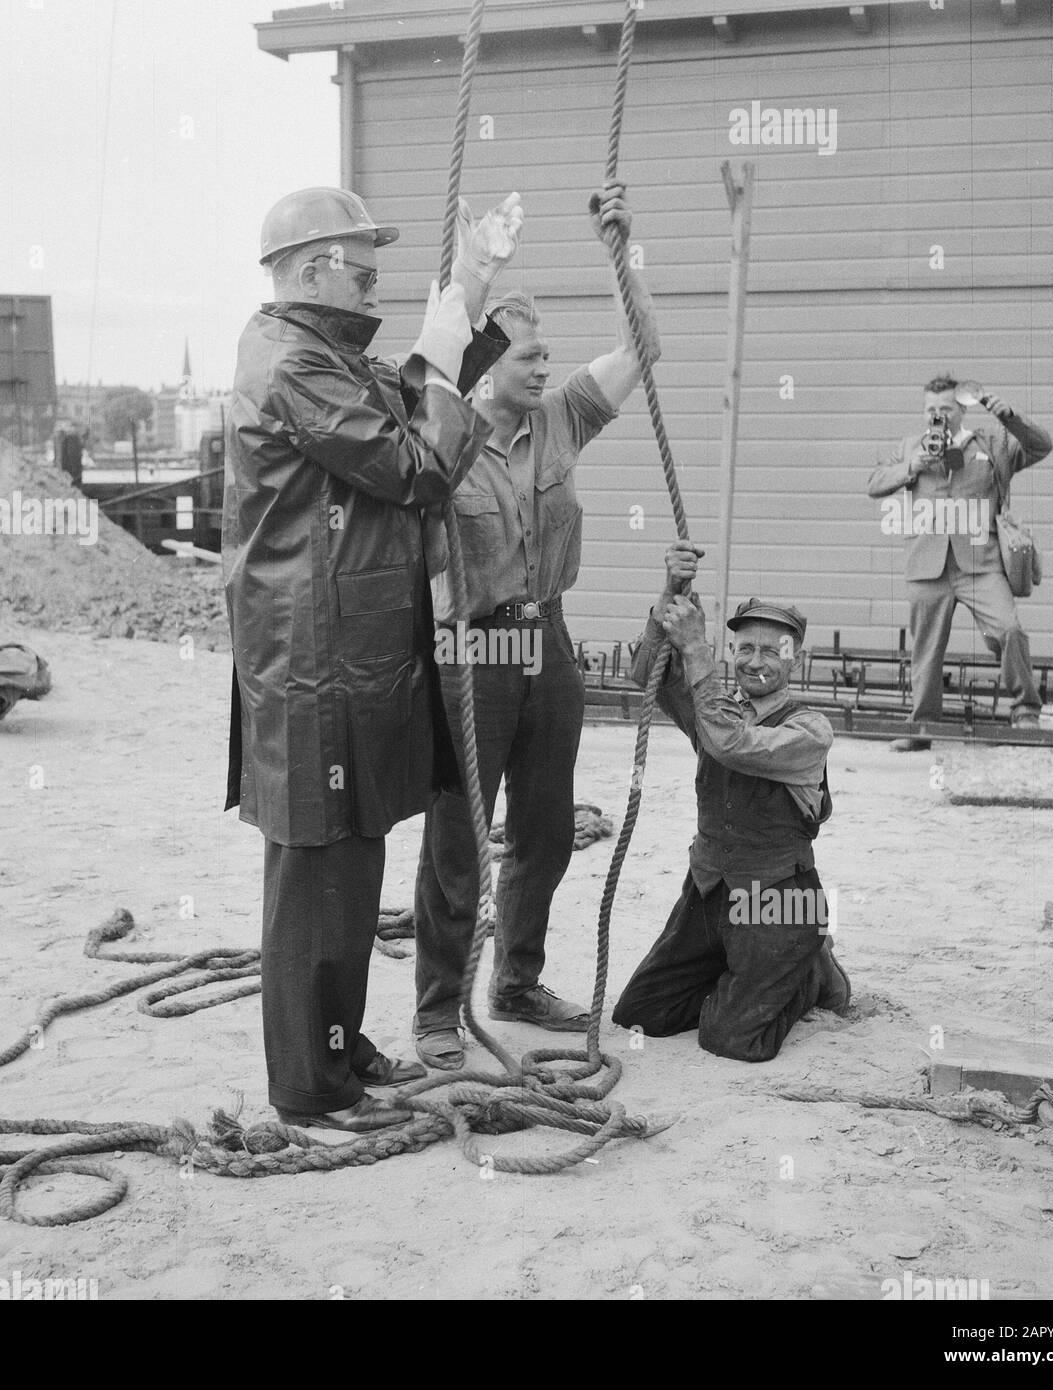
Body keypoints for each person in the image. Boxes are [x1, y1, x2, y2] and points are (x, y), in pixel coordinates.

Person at [223, 185, 522, 1132]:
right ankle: (311, 1087)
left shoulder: (316, 355)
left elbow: (408, 392)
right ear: (312, 269)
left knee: (349, 870)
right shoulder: (294, 364)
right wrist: (446, 352)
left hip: (339, 654)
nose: (371, 286)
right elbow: (419, 465)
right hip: (316, 661)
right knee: (319, 877)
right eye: (360, 270)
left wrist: (469, 288)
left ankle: (339, 1053)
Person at [411, 182, 661, 1071]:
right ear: (485, 368)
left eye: (546, 351)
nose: (542, 365)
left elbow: (646, 349)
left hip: (544, 639)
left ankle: (514, 981)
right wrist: (475, 271)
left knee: (546, 827)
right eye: (526, 354)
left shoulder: (563, 418)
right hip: (469, 647)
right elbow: (426, 370)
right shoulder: (437, 436)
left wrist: (620, 255)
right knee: (456, 840)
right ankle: (438, 1014)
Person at [610, 543, 849, 1063]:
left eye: (772, 650)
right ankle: (753, 971)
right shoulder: (715, 708)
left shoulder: (809, 730)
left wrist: (697, 651)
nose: (755, 661)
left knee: (732, 1039)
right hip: (710, 891)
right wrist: (669, 594)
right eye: (745, 649)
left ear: (795, 657)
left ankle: (808, 972)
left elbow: (731, 743)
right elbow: (645, 675)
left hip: (777, 899)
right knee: (642, 1013)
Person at [868, 374, 1053, 752]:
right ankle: (923, 727)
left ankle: (1025, 711)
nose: (938, 416)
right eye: (931, 410)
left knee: (1008, 630)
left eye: (946, 409)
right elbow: (874, 483)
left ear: (962, 409)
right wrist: (913, 467)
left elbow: (1040, 446)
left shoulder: (991, 443)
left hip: (980, 564)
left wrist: (1010, 416)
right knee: (925, 650)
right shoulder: (909, 447)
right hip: (927, 565)